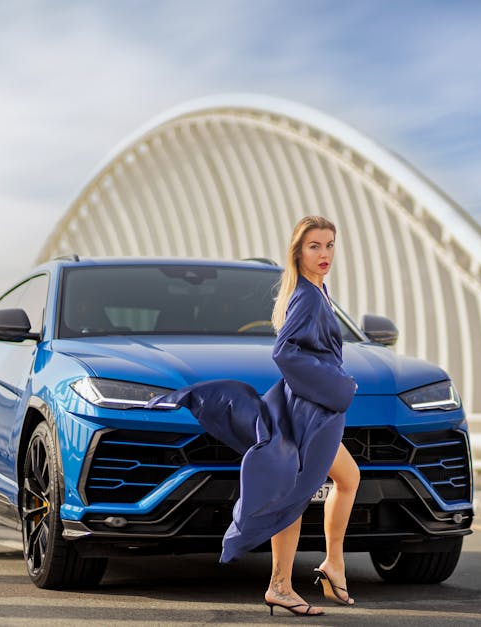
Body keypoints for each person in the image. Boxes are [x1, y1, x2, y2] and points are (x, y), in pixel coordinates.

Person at [160, 216, 359, 617]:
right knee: (294, 493)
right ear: (298, 251)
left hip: (311, 405)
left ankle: (329, 564)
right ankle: (281, 585)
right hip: (311, 409)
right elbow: (284, 353)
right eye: (314, 246)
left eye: (330, 245)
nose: (324, 254)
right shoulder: (305, 296)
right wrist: (337, 386)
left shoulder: (318, 292)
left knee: (342, 478)